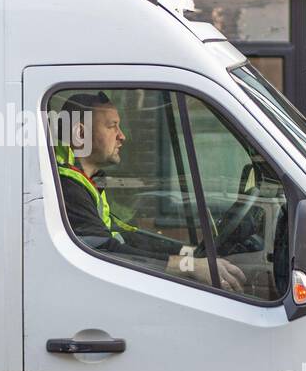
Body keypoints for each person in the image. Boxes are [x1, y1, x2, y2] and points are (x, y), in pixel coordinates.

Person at [54, 91, 245, 294]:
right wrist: (190, 267)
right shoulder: (66, 186)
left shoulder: (84, 181)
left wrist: (190, 254)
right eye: (112, 126)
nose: (122, 135)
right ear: (80, 134)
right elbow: (107, 249)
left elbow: (125, 235)